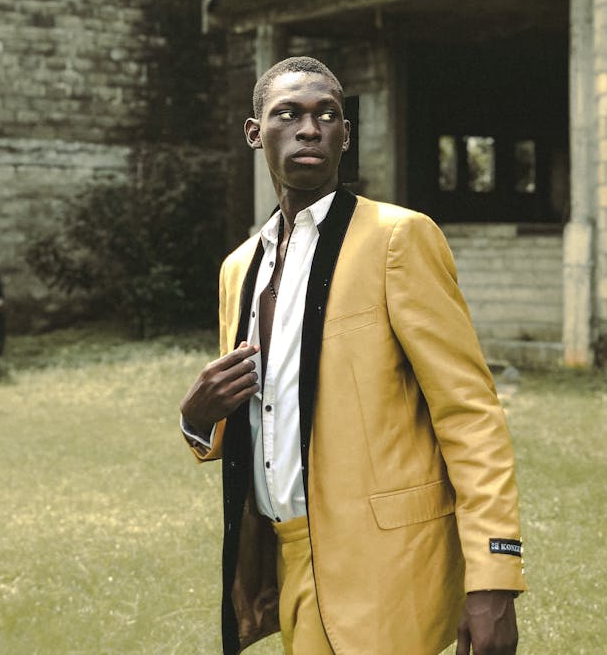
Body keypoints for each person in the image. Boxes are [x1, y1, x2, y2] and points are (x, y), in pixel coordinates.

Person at [180, 56, 525, 655]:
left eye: (327, 115)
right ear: (255, 132)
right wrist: (198, 416)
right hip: (287, 556)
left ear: (345, 135)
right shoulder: (240, 268)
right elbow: (264, 411)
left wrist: (493, 576)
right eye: (288, 113)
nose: (309, 128)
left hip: (387, 562)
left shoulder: (398, 238)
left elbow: (470, 415)